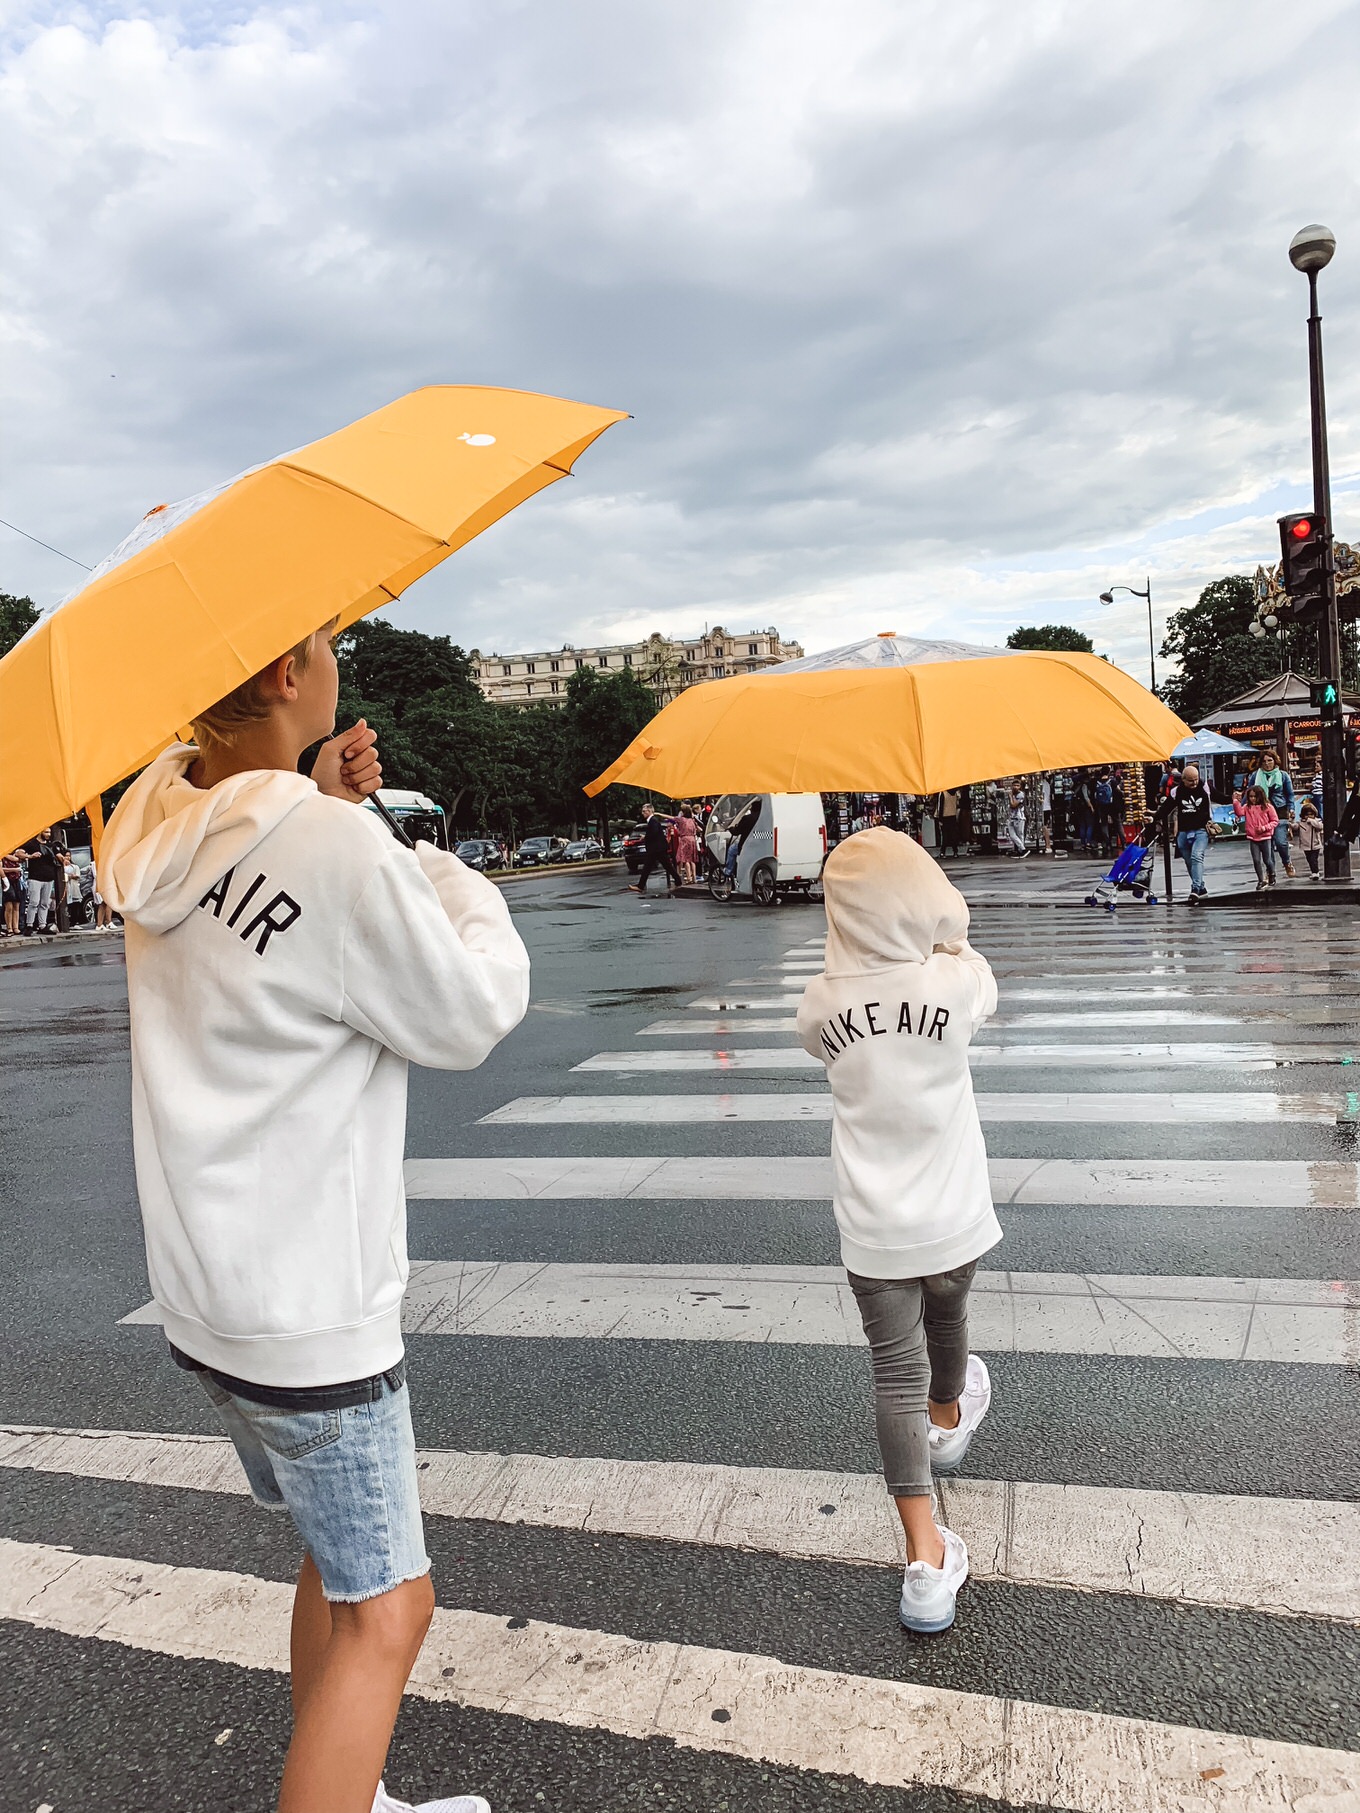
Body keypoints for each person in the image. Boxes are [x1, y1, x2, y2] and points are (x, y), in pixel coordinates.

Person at [100, 619, 529, 1813]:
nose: (338, 656)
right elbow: (470, 1008)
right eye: (325, 638)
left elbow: (252, 857)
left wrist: (315, 791)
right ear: (289, 674)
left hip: (208, 1297)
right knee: (392, 1605)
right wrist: (429, 863)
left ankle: (354, 1789)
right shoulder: (330, 847)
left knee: (335, 1568)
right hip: (310, 1306)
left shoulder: (150, 813)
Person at [796, 828, 1000, 1636]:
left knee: (891, 1372)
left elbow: (824, 1031)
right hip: (953, 1215)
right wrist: (941, 934)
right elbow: (970, 954)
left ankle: (923, 1557)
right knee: (948, 1318)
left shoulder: (821, 1002)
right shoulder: (952, 984)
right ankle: (948, 1416)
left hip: (872, 1224)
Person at [1158, 762, 1214, 902]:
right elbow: (1165, 809)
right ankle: (1201, 888)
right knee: (1189, 862)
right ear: (1183, 779)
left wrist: (1236, 798)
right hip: (1183, 832)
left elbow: (1221, 797)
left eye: (1196, 779)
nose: (1194, 782)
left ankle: (1195, 888)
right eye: (1190, 780)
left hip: (1201, 830)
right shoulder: (1176, 791)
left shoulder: (1205, 787)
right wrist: (1153, 817)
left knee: (1196, 857)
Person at [1251, 751, 1296, 877]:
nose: (1267, 764)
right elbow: (1249, 794)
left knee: (1281, 842)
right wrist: (1241, 808)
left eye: (1270, 760)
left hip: (1280, 811)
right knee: (1267, 845)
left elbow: (1289, 794)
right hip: (1262, 813)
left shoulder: (1283, 775)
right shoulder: (1255, 776)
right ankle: (1270, 871)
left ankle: (1287, 862)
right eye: (1264, 761)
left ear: (1275, 761)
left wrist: (1291, 808)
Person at [1233, 784, 1279, 890]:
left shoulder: (1268, 807)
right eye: (1250, 797)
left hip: (1265, 837)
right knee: (1256, 860)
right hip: (1253, 838)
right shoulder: (1247, 807)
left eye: (1255, 796)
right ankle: (1260, 880)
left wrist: (1264, 828)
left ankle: (1271, 873)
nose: (1253, 799)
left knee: (1267, 860)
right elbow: (1239, 812)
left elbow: (1275, 821)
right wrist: (1236, 801)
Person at [629, 800, 680, 895]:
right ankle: (641, 885)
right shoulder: (653, 821)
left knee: (656, 866)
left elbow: (654, 833)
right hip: (658, 848)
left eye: (644, 811)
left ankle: (640, 886)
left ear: (649, 811)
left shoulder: (653, 821)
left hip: (656, 848)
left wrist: (645, 837)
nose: (642, 813)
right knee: (659, 866)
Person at [19, 828, 61, 934]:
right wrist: (30, 856)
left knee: (45, 903)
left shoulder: (51, 845)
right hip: (35, 877)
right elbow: (19, 853)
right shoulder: (31, 844)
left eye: (49, 832)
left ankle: (42, 925)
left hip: (48, 877)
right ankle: (29, 925)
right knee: (34, 902)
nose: (48, 834)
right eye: (46, 832)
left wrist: (63, 859)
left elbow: (59, 855)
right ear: (40, 832)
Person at [672, 805, 701, 885]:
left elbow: (671, 818)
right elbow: (699, 829)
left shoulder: (681, 820)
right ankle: (694, 877)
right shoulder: (692, 820)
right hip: (692, 839)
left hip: (685, 839)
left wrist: (659, 814)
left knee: (686, 860)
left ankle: (689, 877)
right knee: (692, 860)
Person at [1296, 800, 1323, 879]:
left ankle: (1315, 872)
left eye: (1311, 814)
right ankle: (1313, 872)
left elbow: (1320, 826)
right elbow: (1295, 826)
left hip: (1315, 844)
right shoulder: (1301, 823)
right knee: (1309, 859)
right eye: (1307, 815)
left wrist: (1311, 821)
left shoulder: (1317, 821)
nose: (1309, 816)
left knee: (1313, 859)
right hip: (1305, 845)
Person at [1, 849, 23, 935]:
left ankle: (16, 927)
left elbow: (19, 858)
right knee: (9, 905)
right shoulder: (2, 856)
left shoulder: (16, 855)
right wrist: (14, 869)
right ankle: (9, 927)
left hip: (16, 880)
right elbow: (1, 869)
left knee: (16, 904)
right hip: (6, 880)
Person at [1006, 780, 1027, 857]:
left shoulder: (1021, 794)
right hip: (1012, 817)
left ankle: (1021, 850)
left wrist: (1011, 797)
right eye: (1014, 785)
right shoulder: (1012, 793)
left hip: (1019, 817)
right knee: (1012, 835)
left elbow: (1013, 805)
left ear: (1020, 786)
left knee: (1019, 835)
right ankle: (1022, 849)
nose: (1015, 787)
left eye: (1017, 785)